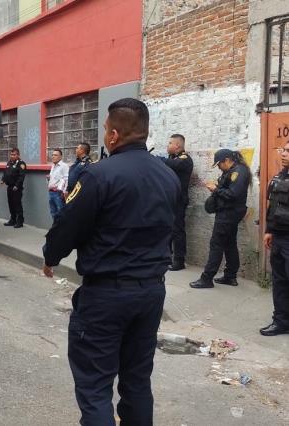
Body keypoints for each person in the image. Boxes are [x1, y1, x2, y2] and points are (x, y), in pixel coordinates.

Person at [42, 98, 180, 425]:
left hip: (106, 296)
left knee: (95, 385)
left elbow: (68, 226)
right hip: (150, 294)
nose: (105, 135)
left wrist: (50, 258)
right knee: (136, 381)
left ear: (114, 134)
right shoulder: (167, 175)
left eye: (105, 129)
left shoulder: (98, 176)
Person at [190, 149, 251, 289]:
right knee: (229, 243)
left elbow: (233, 194)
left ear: (227, 160)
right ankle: (230, 276)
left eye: (219, 164)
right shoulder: (235, 170)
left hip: (228, 214)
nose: (218, 167)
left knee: (216, 245)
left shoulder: (238, 172)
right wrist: (217, 187)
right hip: (230, 212)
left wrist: (215, 189)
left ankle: (206, 278)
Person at [261, 141, 289, 336]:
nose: (284, 153)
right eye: (284, 149)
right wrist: (269, 230)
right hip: (279, 237)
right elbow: (273, 207)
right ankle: (281, 321)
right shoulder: (279, 177)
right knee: (279, 281)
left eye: (288, 151)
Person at [160, 134, 194, 271]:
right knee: (167, 229)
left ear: (177, 146)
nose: (167, 146)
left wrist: (155, 159)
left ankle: (179, 261)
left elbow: (173, 165)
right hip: (169, 199)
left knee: (177, 230)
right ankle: (166, 257)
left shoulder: (184, 159)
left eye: (170, 143)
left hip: (178, 200)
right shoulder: (171, 158)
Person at [1, 147, 26, 228]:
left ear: (18, 155)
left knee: (17, 204)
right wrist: (3, 180)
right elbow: (5, 173)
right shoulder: (9, 163)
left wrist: (17, 186)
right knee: (11, 204)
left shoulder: (21, 164)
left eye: (14, 155)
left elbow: (21, 176)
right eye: (11, 154)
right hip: (10, 187)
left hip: (17, 188)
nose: (12, 156)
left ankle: (20, 221)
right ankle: (13, 220)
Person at [47, 149, 69, 218]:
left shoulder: (64, 166)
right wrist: (49, 179)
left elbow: (67, 179)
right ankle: (56, 228)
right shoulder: (53, 166)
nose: (53, 156)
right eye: (52, 155)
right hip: (51, 193)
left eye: (56, 155)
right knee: (53, 213)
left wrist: (64, 192)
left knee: (61, 213)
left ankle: (62, 229)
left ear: (61, 157)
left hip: (58, 194)